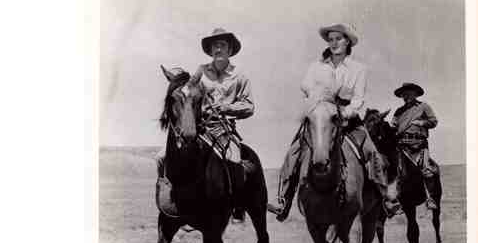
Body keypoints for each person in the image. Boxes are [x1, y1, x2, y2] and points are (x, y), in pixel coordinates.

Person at [268, 23, 387, 221]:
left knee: (371, 151)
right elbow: (306, 88)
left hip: (347, 121)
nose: (334, 43)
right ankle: (283, 199)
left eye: (338, 39)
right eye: (330, 40)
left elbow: (358, 99)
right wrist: (319, 101)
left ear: (347, 42)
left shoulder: (359, 69)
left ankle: (384, 199)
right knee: (294, 150)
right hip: (320, 119)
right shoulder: (316, 66)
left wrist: (345, 112)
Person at [156, 28, 254, 221]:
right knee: (161, 157)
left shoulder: (240, 76)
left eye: (222, 45)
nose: (218, 49)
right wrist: (175, 79)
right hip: (200, 129)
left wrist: (226, 107)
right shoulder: (200, 72)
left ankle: (237, 205)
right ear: (210, 50)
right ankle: (173, 199)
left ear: (230, 49)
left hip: (224, 130)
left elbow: (249, 107)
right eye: (214, 46)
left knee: (234, 160)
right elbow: (186, 90)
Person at [386, 82, 440, 212]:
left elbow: (434, 121)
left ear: (415, 94)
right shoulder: (399, 111)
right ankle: (394, 202)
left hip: (419, 145)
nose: (406, 96)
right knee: (393, 170)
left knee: (426, 169)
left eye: (409, 93)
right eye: (404, 94)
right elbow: (393, 126)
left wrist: (422, 122)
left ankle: (430, 198)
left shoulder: (424, 106)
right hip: (402, 146)